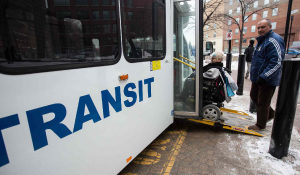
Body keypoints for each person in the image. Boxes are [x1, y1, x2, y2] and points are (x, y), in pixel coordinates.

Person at [248, 19, 285, 131]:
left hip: (267, 79)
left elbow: (277, 61)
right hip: (258, 78)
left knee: (263, 102)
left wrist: (264, 76)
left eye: (263, 27)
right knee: (254, 96)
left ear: (270, 27)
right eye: (258, 28)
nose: (260, 30)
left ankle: (260, 125)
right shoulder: (262, 41)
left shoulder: (273, 40)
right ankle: (269, 114)